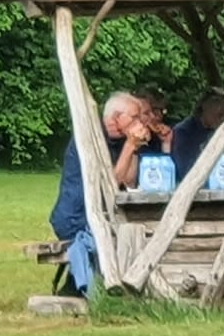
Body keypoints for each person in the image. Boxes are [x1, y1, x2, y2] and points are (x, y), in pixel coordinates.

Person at [48, 91, 154, 296]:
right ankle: (87, 288)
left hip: (100, 215)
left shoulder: (122, 140)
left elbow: (129, 181)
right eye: (134, 117)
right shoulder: (89, 140)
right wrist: (130, 145)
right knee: (120, 237)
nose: (140, 122)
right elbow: (109, 188)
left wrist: (134, 147)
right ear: (115, 118)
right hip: (75, 218)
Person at [169, 88, 224, 177]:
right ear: (205, 107)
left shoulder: (219, 131)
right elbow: (183, 170)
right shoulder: (183, 132)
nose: (222, 120)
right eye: (220, 115)